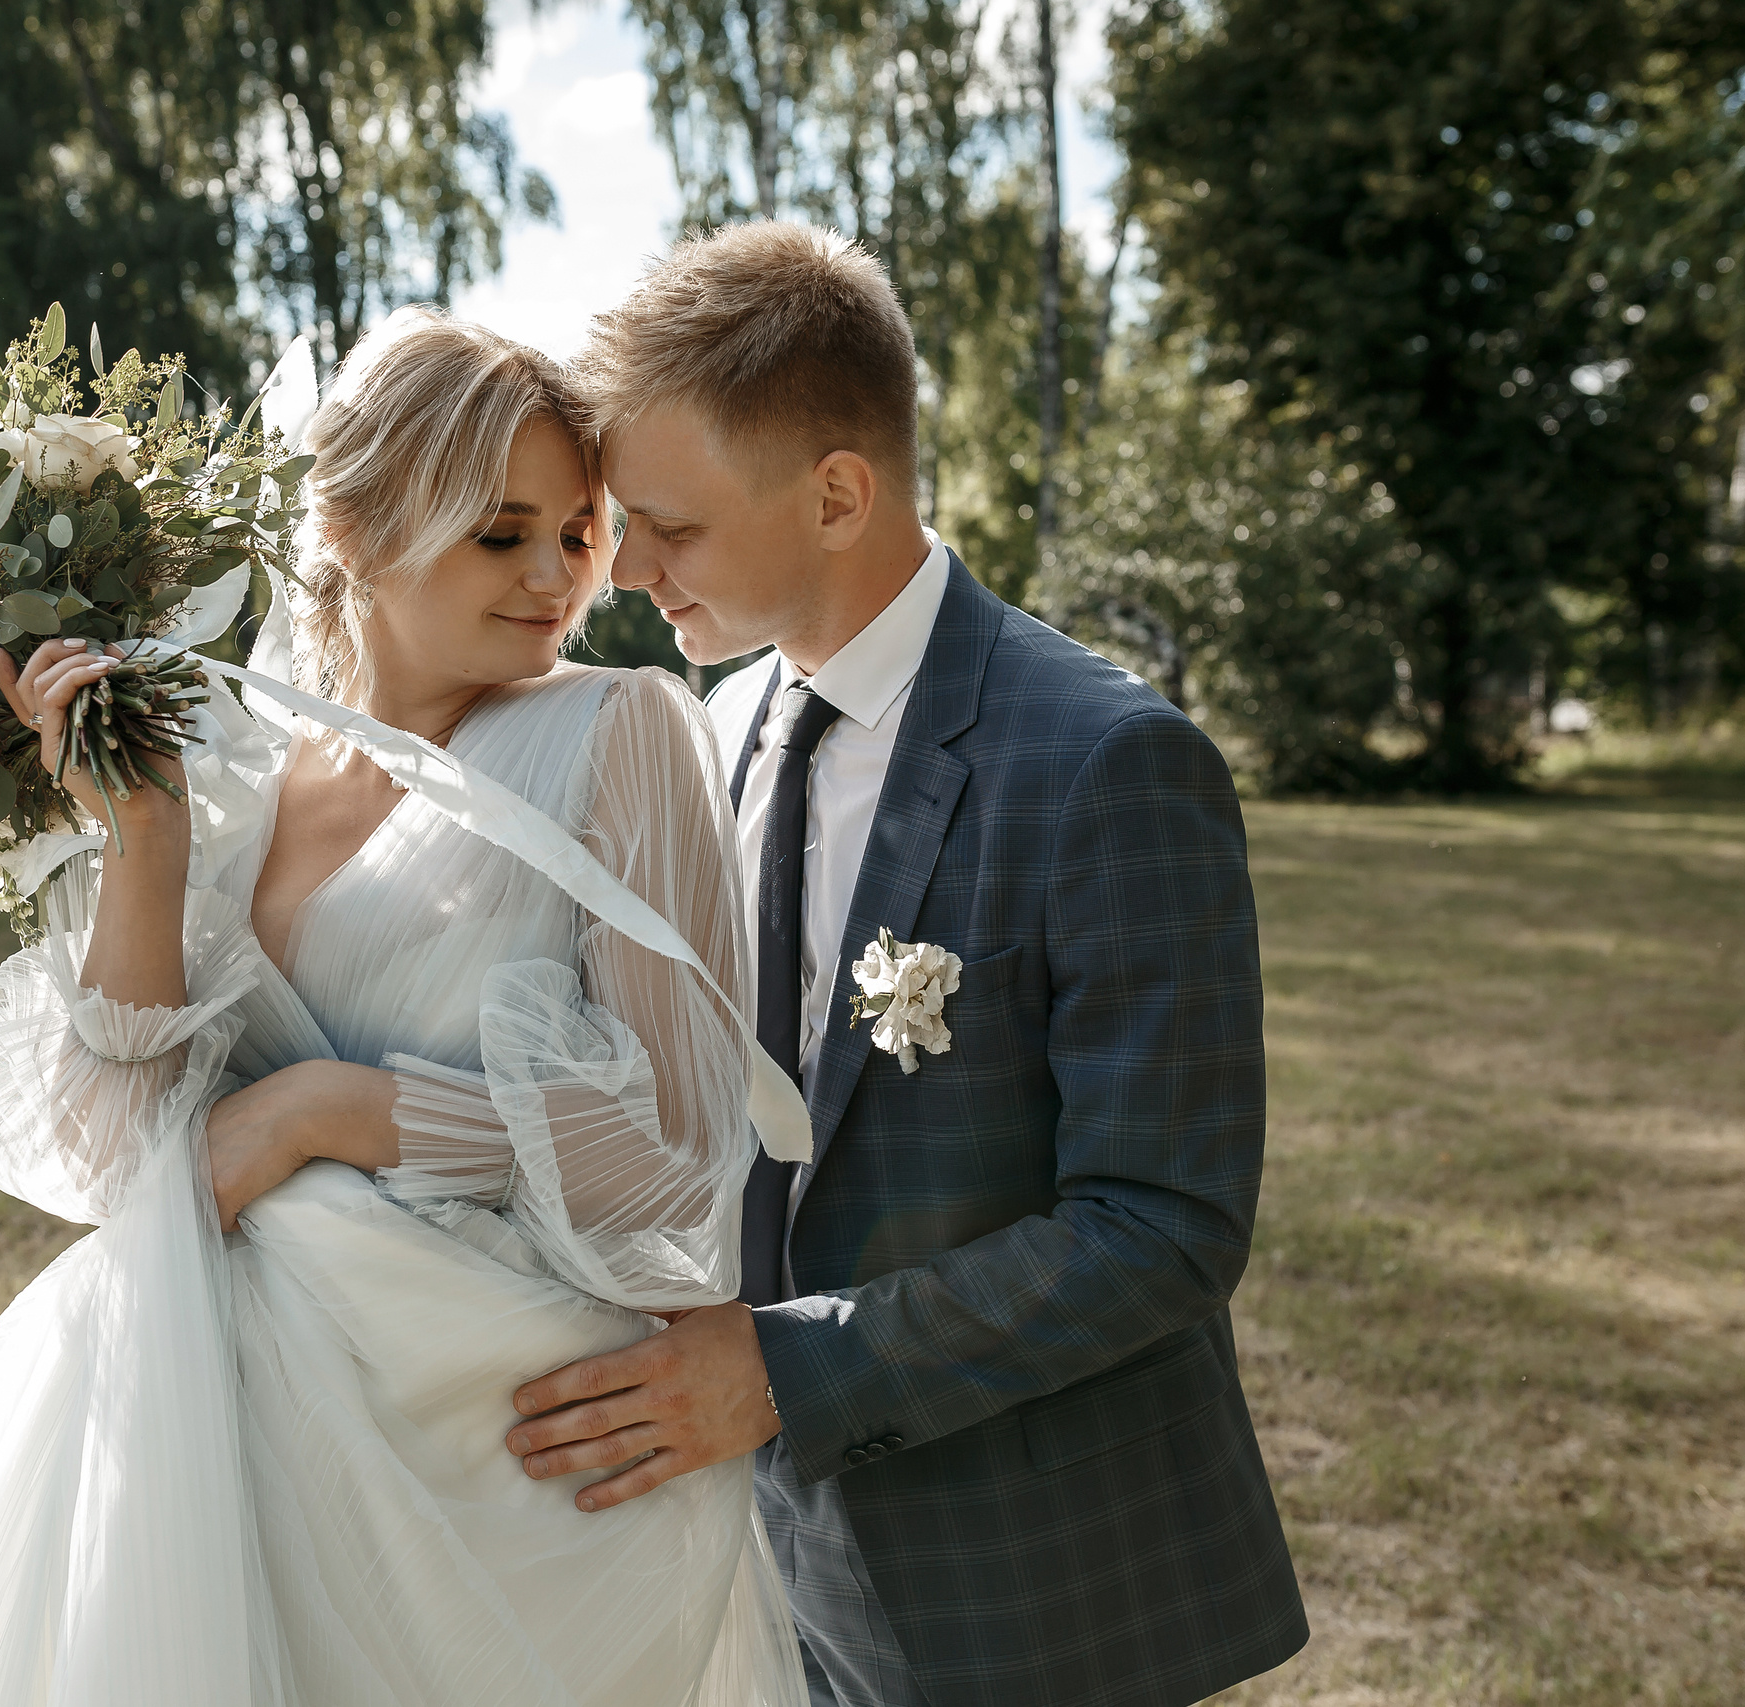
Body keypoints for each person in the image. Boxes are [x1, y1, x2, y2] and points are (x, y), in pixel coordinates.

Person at [0, 307, 808, 1707]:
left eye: (578, 531)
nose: (558, 576)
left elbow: (673, 1146)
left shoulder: (620, 730)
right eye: (504, 533)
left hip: (467, 1472)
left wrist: (334, 1113)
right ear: (359, 530)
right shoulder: (237, 763)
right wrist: (149, 844)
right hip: (202, 1433)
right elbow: (126, 1155)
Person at [502, 224, 1310, 1707]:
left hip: (1032, 1584)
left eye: (667, 526)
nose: (623, 570)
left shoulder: (1111, 765)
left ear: (835, 493)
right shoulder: (711, 732)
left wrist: (785, 1371)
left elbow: (1165, 1227)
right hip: (759, 1561)